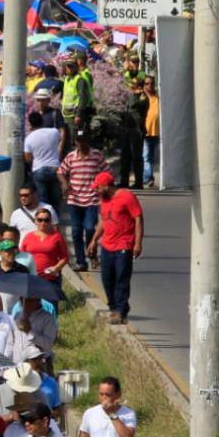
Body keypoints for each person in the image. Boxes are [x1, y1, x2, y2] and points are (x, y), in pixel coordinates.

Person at [88, 172, 144, 325]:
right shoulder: (104, 200)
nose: (96, 191)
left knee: (121, 278)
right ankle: (116, 306)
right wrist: (94, 240)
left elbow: (138, 218)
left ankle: (118, 311)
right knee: (107, 278)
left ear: (106, 186)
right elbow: (104, 221)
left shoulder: (127, 196)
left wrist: (138, 243)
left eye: (98, 188)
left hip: (124, 244)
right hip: (107, 245)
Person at [56, 129, 104, 271]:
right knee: (76, 231)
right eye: (79, 141)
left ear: (88, 141)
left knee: (89, 228)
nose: (81, 144)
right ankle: (81, 262)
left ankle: (92, 254)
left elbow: (106, 172)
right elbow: (60, 171)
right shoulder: (71, 156)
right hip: (75, 200)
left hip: (92, 199)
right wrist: (64, 183)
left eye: (84, 140)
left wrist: (101, 187)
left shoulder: (96, 155)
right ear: (76, 142)